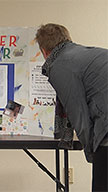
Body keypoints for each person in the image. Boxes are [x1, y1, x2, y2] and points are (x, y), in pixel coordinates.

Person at [35, 23, 108, 192]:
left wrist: (91, 153)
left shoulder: (60, 64)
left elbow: (78, 114)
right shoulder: (87, 54)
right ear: (67, 39)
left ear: (44, 51)